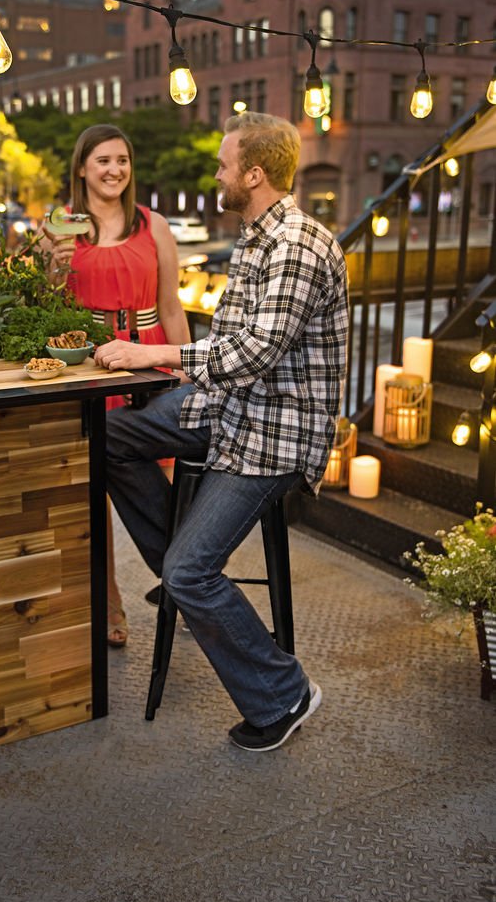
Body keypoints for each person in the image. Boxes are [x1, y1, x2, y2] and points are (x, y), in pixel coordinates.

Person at [94, 111, 349, 750]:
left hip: (274, 433)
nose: (217, 173)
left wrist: (152, 356)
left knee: (187, 573)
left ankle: (283, 692)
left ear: (254, 173)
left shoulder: (295, 244)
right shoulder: (254, 236)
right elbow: (232, 346)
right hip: (223, 409)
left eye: (224, 164)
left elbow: (254, 353)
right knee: (106, 439)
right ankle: (186, 564)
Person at [41, 123, 191, 648]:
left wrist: (187, 371)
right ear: (82, 167)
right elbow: (43, 311)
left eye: (122, 160)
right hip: (87, 363)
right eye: (103, 160)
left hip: (149, 359)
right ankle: (108, 607)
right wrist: (50, 270)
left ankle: (186, 584)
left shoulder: (154, 224)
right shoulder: (58, 229)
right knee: (91, 495)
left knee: (167, 483)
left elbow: (171, 305)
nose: (114, 170)